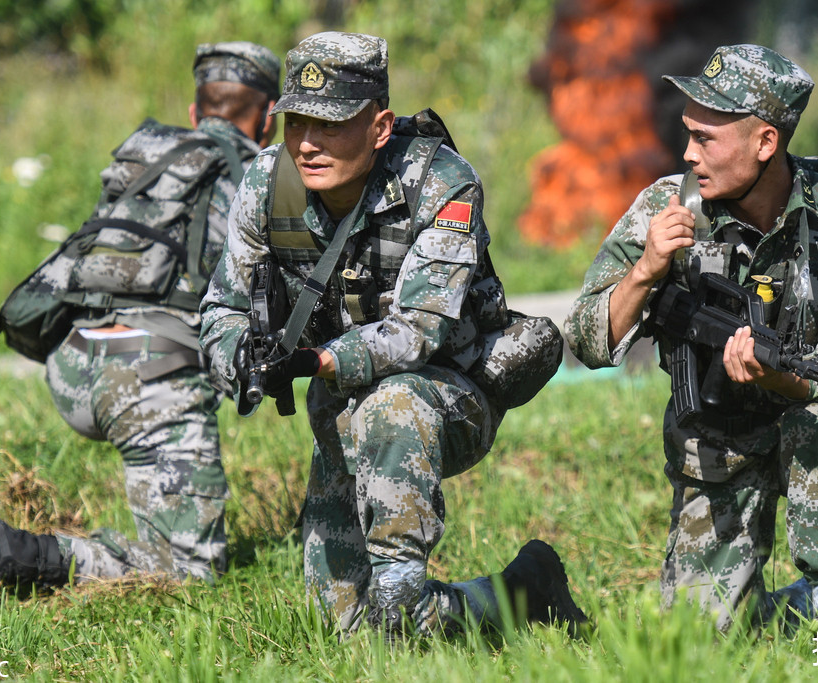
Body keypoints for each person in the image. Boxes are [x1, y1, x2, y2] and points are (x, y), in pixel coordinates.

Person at [199, 31, 586, 638]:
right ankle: (524, 591)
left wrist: (317, 361)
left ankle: (402, 581)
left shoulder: (442, 183)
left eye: (329, 125)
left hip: (446, 396)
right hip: (339, 408)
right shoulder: (267, 181)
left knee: (392, 402)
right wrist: (243, 360)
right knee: (344, 628)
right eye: (295, 123)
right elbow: (220, 308)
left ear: (379, 128)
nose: (307, 143)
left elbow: (420, 332)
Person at [565, 44, 818, 633]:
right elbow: (586, 341)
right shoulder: (667, 206)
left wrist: (780, 375)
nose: (688, 153)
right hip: (717, 445)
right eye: (688, 134)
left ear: (766, 143)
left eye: (706, 139)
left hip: (812, 434)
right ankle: (808, 602)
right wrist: (646, 269)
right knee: (701, 636)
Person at [0, 42, 282, 597]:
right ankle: (9, 552)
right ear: (268, 120)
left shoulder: (154, 158)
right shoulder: (264, 176)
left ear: (197, 113)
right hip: (150, 381)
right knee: (190, 573)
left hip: (73, 361)